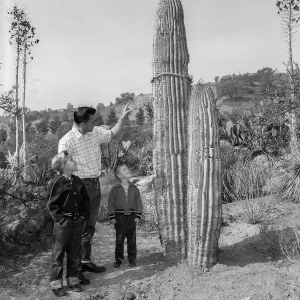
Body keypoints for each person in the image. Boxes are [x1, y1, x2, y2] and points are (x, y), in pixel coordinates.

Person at [58, 104, 131, 281]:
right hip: (79, 187)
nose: (95, 123)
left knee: (89, 227)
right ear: (82, 123)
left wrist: (122, 119)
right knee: (78, 229)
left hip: (94, 185)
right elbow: (62, 169)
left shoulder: (94, 132)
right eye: (92, 121)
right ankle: (75, 271)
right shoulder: (67, 141)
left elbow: (112, 134)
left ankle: (85, 261)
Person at [46, 151, 90, 297]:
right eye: (71, 160)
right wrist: (61, 220)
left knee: (74, 253)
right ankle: (56, 284)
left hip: (77, 223)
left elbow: (85, 201)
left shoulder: (78, 181)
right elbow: (51, 205)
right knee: (58, 254)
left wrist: (83, 216)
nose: (74, 161)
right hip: (62, 224)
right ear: (64, 166)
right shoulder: (55, 182)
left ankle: (73, 280)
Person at [108, 164, 143, 268]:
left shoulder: (134, 188)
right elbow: (111, 203)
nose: (127, 170)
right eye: (124, 169)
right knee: (120, 238)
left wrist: (138, 215)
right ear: (119, 175)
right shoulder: (115, 189)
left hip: (132, 216)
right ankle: (118, 258)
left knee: (132, 239)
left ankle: (132, 258)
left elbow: (139, 202)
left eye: (127, 168)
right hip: (119, 217)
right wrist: (112, 216)